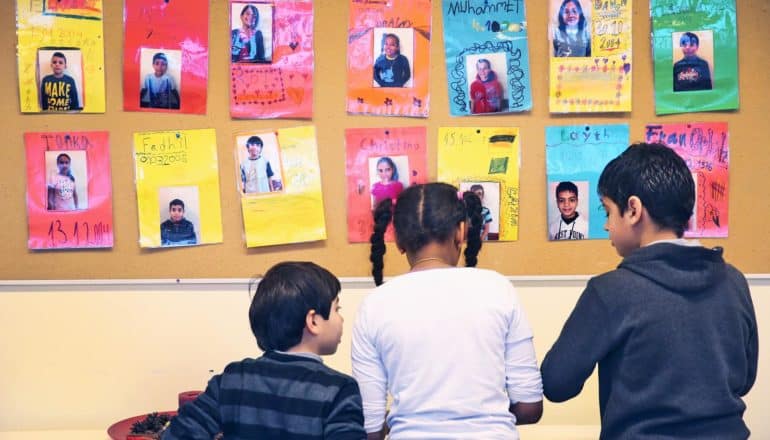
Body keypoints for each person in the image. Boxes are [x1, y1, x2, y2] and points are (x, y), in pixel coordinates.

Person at [541, 143, 758, 439]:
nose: (606, 226)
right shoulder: (734, 281)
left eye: (607, 212)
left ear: (633, 210)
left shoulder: (610, 291)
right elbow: (744, 380)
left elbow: (557, 383)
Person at [353, 183, 543, 439]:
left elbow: (371, 429)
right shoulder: (498, 289)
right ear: (461, 231)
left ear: (398, 240)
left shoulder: (373, 306)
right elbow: (530, 408)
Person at [162, 261, 366, 439]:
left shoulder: (233, 379)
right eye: (337, 309)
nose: (341, 318)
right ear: (313, 320)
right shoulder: (339, 390)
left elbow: (178, 434)